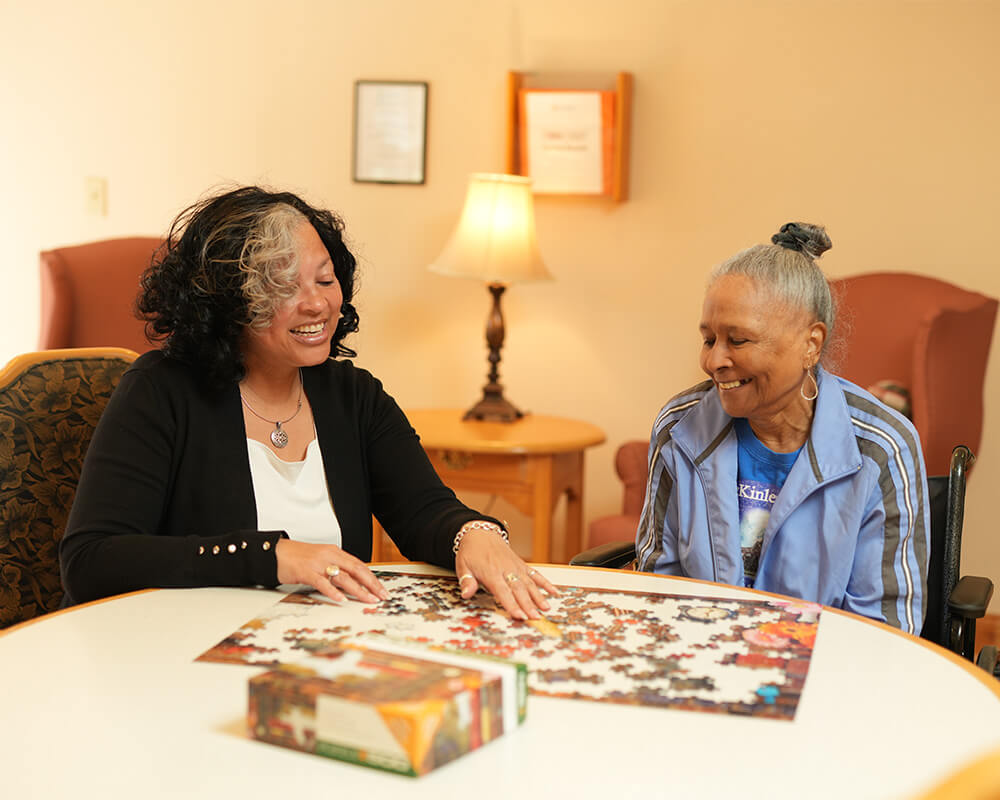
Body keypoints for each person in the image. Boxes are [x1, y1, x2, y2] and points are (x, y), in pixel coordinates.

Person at [59, 186, 556, 619]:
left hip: (319, 654)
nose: (317, 304)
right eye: (282, 287)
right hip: (175, 658)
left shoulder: (354, 396)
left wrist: (474, 533)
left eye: (325, 279)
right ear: (227, 302)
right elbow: (92, 561)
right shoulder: (160, 391)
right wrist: (272, 556)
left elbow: (424, 510)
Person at [635, 222, 929, 633]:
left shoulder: (881, 448)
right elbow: (654, 589)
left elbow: (885, 629)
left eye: (737, 341)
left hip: (827, 676)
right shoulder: (680, 426)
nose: (714, 361)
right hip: (697, 666)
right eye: (708, 339)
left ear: (811, 343)